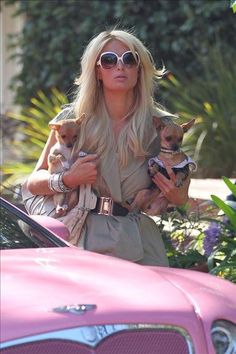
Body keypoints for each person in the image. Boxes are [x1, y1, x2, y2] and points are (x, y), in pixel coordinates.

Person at [22, 28, 190, 266]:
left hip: (139, 244)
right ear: (97, 71)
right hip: (80, 237)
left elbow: (182, 195)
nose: (120, 66)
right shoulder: (72, 120)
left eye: (129, 59)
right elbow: (33, 183)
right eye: (109, 60)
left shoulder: (160, 125)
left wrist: (175, 193)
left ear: (139, 69)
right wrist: (68, 179)